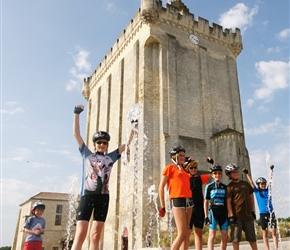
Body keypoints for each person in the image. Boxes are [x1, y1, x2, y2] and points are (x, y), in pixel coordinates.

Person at [72, 104, 135, 250]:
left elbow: (126, 144)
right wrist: (77, 114)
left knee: (95, 235)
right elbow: (76, 134)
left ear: (107, 145)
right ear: (94, 144)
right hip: (87, 196)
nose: (102, 144)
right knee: (81, 233)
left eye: (104, 143)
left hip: (103, 198)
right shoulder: (86, 154)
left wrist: (133, 127)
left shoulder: (111, 157)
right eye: (99, 142)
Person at [158, 146, 193, 250]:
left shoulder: (185, 170)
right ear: (174, 156)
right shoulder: (169, 168)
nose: (183, 157)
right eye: (180, 155)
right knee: (182, 233)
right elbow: (161, 187)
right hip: (177, 199)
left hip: (189, 201)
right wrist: (163, 206)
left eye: (183, 155)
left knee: (187, 233)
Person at [243, 165, 278, 250]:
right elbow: (251, 183)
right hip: (262, 214)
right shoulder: (257, 191)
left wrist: (271, 171)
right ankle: (267, 248)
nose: (263, 185)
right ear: (258, 185)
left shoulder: (268, 190)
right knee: (265, 233)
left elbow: (270, 180)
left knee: (274, 232)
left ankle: (276, 248)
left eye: (264, 184)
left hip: (271, 213)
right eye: (261, 184)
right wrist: (247, 174)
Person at [225, 163, 258, 250]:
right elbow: (228, 202)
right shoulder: (229, 187)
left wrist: (253, 211)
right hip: (237, 216)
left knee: (252, 238)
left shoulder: (245, 184)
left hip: (248, 216)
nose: (236, 174)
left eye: (236, 172)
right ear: (229, 175)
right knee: (235, 239)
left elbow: (251, 196)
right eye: (233, 172)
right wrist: (231, 216)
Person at [183, 157, 210, 250]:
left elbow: (213, 175)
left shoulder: (200, 178)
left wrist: (211, 164)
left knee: (198, 233)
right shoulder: (184, 178)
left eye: (195, 167)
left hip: (199, 208)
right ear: (187, 169)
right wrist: (186, 160)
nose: (194, 169)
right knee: (186, 233)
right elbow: (179, 171)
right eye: (191, 168)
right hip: (187, 208)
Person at [204, 164, 228, 250]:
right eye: (215, 173)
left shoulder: (225, 187)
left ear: (221, 174)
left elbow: (227, 201)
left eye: (219, 173)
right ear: (212, 175)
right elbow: (206, 201)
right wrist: (206, 216)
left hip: (223, 212)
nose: (217, 175)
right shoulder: (209, 186)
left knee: (225, 236)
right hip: (213, 212)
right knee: (212, 235)